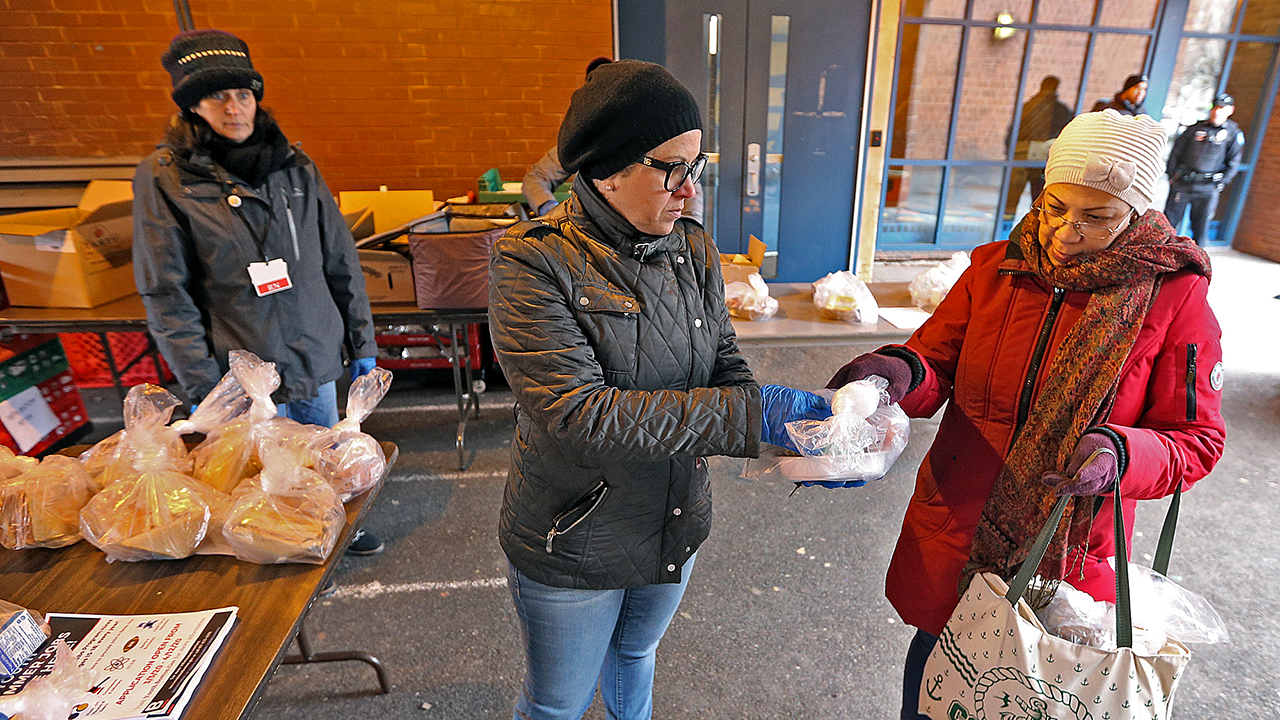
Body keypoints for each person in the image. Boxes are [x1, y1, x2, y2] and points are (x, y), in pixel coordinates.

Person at [825, 110, 1225, 720]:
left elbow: (1196, 439)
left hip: (1066, 552)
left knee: (1036, 695)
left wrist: (1121, 453)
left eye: (1097, 217)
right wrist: (898, 373)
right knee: (934, 687)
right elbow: (935, 361)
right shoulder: (995, 269)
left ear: (1140, 212)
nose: (1066, 232)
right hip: (959, 527)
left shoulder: (1175, 295)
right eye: (1055, 206)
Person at [489, 59, 827, 720]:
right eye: (671, 168)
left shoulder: (691, 248)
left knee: (637, 657)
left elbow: (721, 363)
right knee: (557, 704)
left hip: (673, 517)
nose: (690, 191)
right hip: (575, 533)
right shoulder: (531, 262)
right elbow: (580, 415)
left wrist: (794, 439)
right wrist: (751, 414)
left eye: (696, 166)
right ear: (608, 169)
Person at [132, 30, 384, 555]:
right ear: (191, 105)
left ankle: (333, 532)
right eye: (218, 95)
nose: (234, 107)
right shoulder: (167, 179)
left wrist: (362, 345)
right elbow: (165, 292)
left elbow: (341, 261)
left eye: (243, 93)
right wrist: (205, 384)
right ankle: (283, 548)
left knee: (326, 463)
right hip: (243, 370)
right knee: (260, 481)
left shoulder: (295, 167)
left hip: (313, 356)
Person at [522, 58, 704, 224]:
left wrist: (688, 229)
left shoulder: (664, 145)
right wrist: (550, 209)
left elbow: (686, 181)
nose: (689, 191)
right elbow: (536, 179)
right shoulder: (585, 147)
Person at [1165, 93, 1244, 246]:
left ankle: (1197, 265)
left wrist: (1220, 182)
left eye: (1222, 108)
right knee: (1168, 226)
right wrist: (1172, 175)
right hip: (1183, 184)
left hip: (1207, 188)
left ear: (1230, 110)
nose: (1217, 111)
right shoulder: (1195, 129)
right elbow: (1176, 152)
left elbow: (1233, 163)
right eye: (1215, 107)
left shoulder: (1232, 133)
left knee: (1200, 231)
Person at [1004, 76, 1073, 218]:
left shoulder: (1028, 106)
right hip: (1039, 160)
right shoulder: (1060, 110)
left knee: (1013, 201)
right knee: (1039, 201)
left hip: (1024, 158)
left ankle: (1007, 226)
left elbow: (1013, 131)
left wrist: (1010, 152)